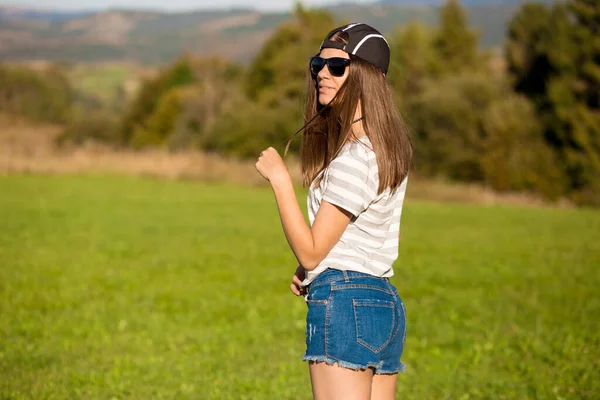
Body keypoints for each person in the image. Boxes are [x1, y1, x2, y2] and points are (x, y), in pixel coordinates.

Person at [255, 23, 412, 400]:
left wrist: (279, 179)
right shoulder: (384, 148)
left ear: (364, 76)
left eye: (336, 67)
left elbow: (311, 250)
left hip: (345, 303)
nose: (321, 74)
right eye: (317, 65)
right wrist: (312, 269)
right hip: (384, 304)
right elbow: (359, 232)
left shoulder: (354, 158)